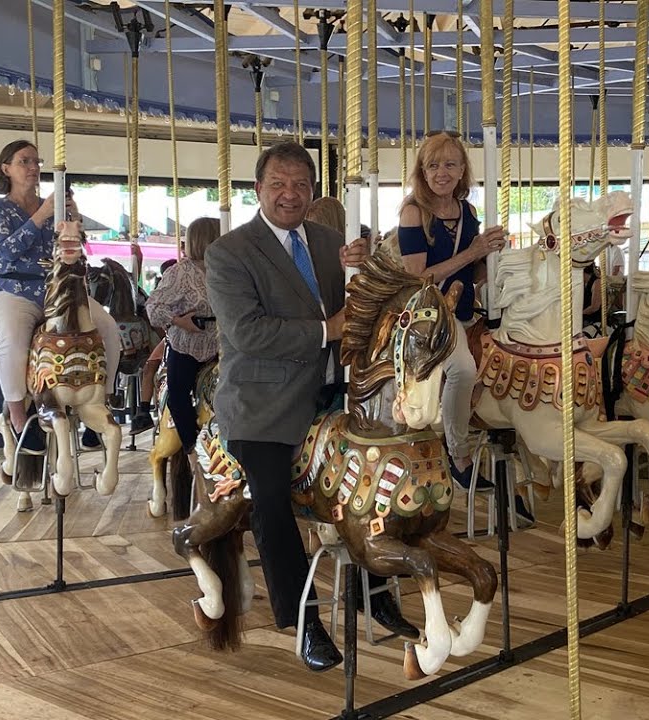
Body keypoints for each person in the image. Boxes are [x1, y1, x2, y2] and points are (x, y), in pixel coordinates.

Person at [206, 141, 407, 673]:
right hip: (263, 402)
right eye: (278, 184)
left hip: (332, 391)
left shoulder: (331, 242)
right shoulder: (230, 252)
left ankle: (373, 591)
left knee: (374, 481)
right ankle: (303, 619)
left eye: (300, 184)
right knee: (271, 501)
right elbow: (247, 333)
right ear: (258, 189)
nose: (289, 194)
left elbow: (370, 303)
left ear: (313, 191)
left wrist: (371, 268)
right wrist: (327, 329)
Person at [0, 140, 122, 452]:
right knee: (14, 341)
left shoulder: (55, 206)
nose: (33, 167)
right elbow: (5, 252)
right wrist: (40, 215)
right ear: (6, 169)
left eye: (36, 161)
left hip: (58, 290)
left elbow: (74, 249)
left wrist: (74, 220)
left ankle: (104, 398)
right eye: (24, 161)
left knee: (109, 328)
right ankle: (19, 417)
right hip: (14, 291)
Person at [397, 130, 507, 490]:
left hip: (465, 307)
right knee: (463, 369)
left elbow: (474, 271)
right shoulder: (414, 213)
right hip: (431, 312)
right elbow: (418, 276)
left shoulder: (468, 212)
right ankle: (458, 453)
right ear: (422, 172)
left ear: (462, 171)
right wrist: (473, 252)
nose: (441, 173)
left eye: (449, 164)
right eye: (433, 166)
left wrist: (495, 258)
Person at [145, 219, 220, 446]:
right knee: (178, 395)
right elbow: (153, 307)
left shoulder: (226, 269)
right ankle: (190, 448)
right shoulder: (180, 272)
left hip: (222, 342)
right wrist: (178, 321)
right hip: (188, 343)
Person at [130, 258, 180, 435]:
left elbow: (158, 323)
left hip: (175, 335)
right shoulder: (162, 292)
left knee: (150, 366)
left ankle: (145, 410)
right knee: (149, 366)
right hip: (171, 334)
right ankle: (144, 411)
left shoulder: (172, 290)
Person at [580, 263, 603, 338]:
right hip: (584, 317)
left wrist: (579, 314)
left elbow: (594, 307)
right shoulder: (583, 283)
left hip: (593, 319)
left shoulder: (597, 282)